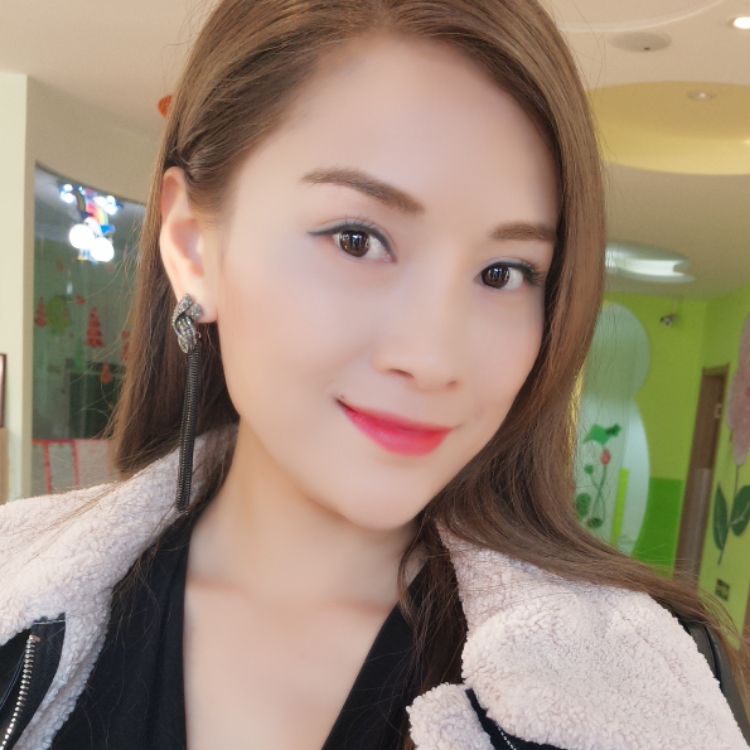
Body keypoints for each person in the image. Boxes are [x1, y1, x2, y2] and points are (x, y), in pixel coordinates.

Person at [0, 1, 748, 749]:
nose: (433, 358)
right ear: (194, 245)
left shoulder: (638, 692)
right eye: (357, 239)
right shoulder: (17, 599)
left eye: (504, 271)